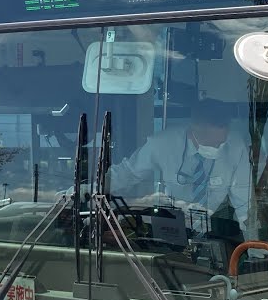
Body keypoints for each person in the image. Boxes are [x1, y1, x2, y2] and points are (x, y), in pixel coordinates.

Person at [106, 98, 255, 235]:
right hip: (172, 226)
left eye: (221, 143)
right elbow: (128, 173)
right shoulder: (162, 144)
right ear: (193, 131)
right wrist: (95, 190)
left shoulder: (236, 146)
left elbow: (245, 204)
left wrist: (255, 248)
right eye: (212, 144)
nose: (218, 148)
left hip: (216, 227)